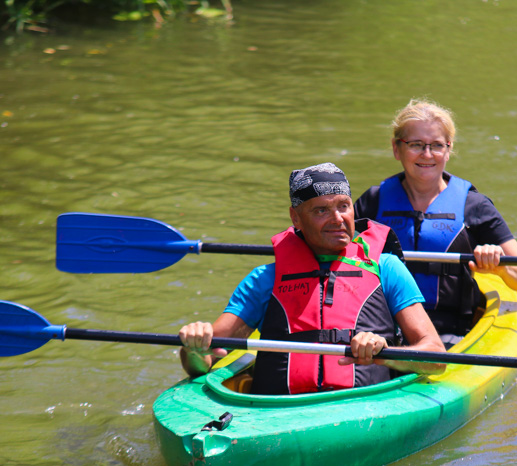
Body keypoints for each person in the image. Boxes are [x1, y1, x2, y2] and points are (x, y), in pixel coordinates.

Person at [179, 162, 446, 395]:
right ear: (296, 218)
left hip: (364, 406)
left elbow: (435, 358)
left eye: (344, 206)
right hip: (278, 412)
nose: (338, 219)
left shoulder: (386, 268)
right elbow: (203, 363)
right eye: (321, 211)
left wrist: (384, 353)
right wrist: (194, 346)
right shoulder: (264, 279)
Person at [354, 99, 517, 343]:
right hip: (382, 329)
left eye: (437, 145)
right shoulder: (374, 202)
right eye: (416, 144)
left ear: (449, 150)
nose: (427, 154)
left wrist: (497, 265)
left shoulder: (474, 206)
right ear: (396, 148)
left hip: (453, 332)